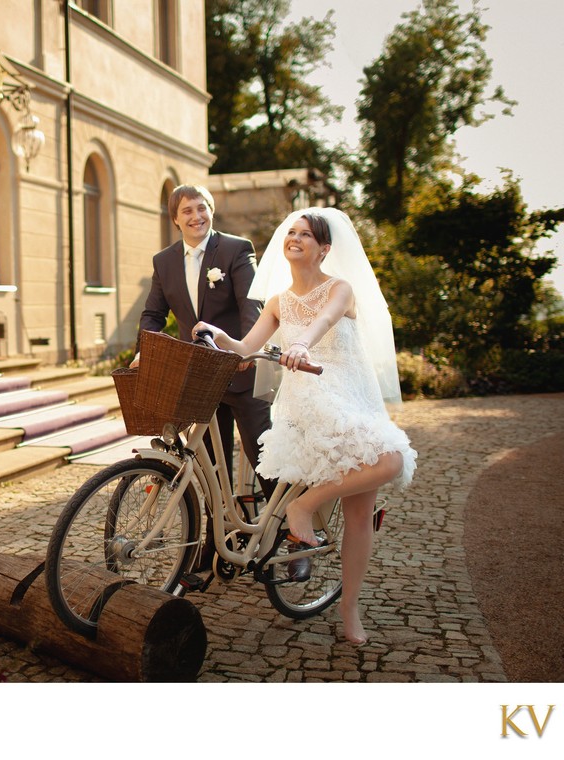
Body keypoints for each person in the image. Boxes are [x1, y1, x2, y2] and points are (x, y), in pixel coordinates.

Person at [193, 207, 417, 644]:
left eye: (306, 235)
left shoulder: (341, 289)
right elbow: (245, 351)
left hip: (354, 398)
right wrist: (217, 335)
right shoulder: (277, 302)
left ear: (324, 249)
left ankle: (349, 609)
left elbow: (325, 319)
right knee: (386, 463)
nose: (295, 238)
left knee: (364, 504)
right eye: (291, 232)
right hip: (310, 401)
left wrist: (299, 343)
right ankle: (302, 510)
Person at [134, 184, 275, 566]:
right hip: (200, 377)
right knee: (211, 466)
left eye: (202, 208)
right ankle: (220, 538)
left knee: (262, 452)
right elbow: (153, 314)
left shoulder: (234, 248)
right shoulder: (164, 261)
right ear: (175, 218)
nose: (196, 217)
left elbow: (253, 303)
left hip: (239, 370)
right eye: (187, 211)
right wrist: (143, 351)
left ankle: (288, 534)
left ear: (211, 210)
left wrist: (244, 347)